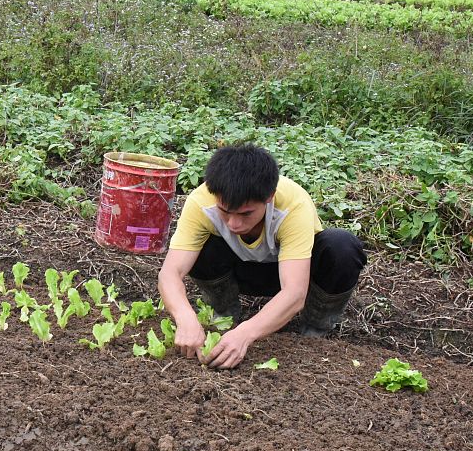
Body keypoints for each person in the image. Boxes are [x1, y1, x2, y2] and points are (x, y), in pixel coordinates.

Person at [157, 143, 366, 369]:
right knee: (200, 245)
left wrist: (245, 334)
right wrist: (185, 318)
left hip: (291, 275)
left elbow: (294, 292)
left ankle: (315, 328)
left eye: (246, 213)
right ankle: (224, 315)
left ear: (270, 197)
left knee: (342, 246)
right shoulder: (201, 202)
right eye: (225, 211)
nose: (234, 224)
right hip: (237, 272)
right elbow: (170, 273)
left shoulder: (293, 205)